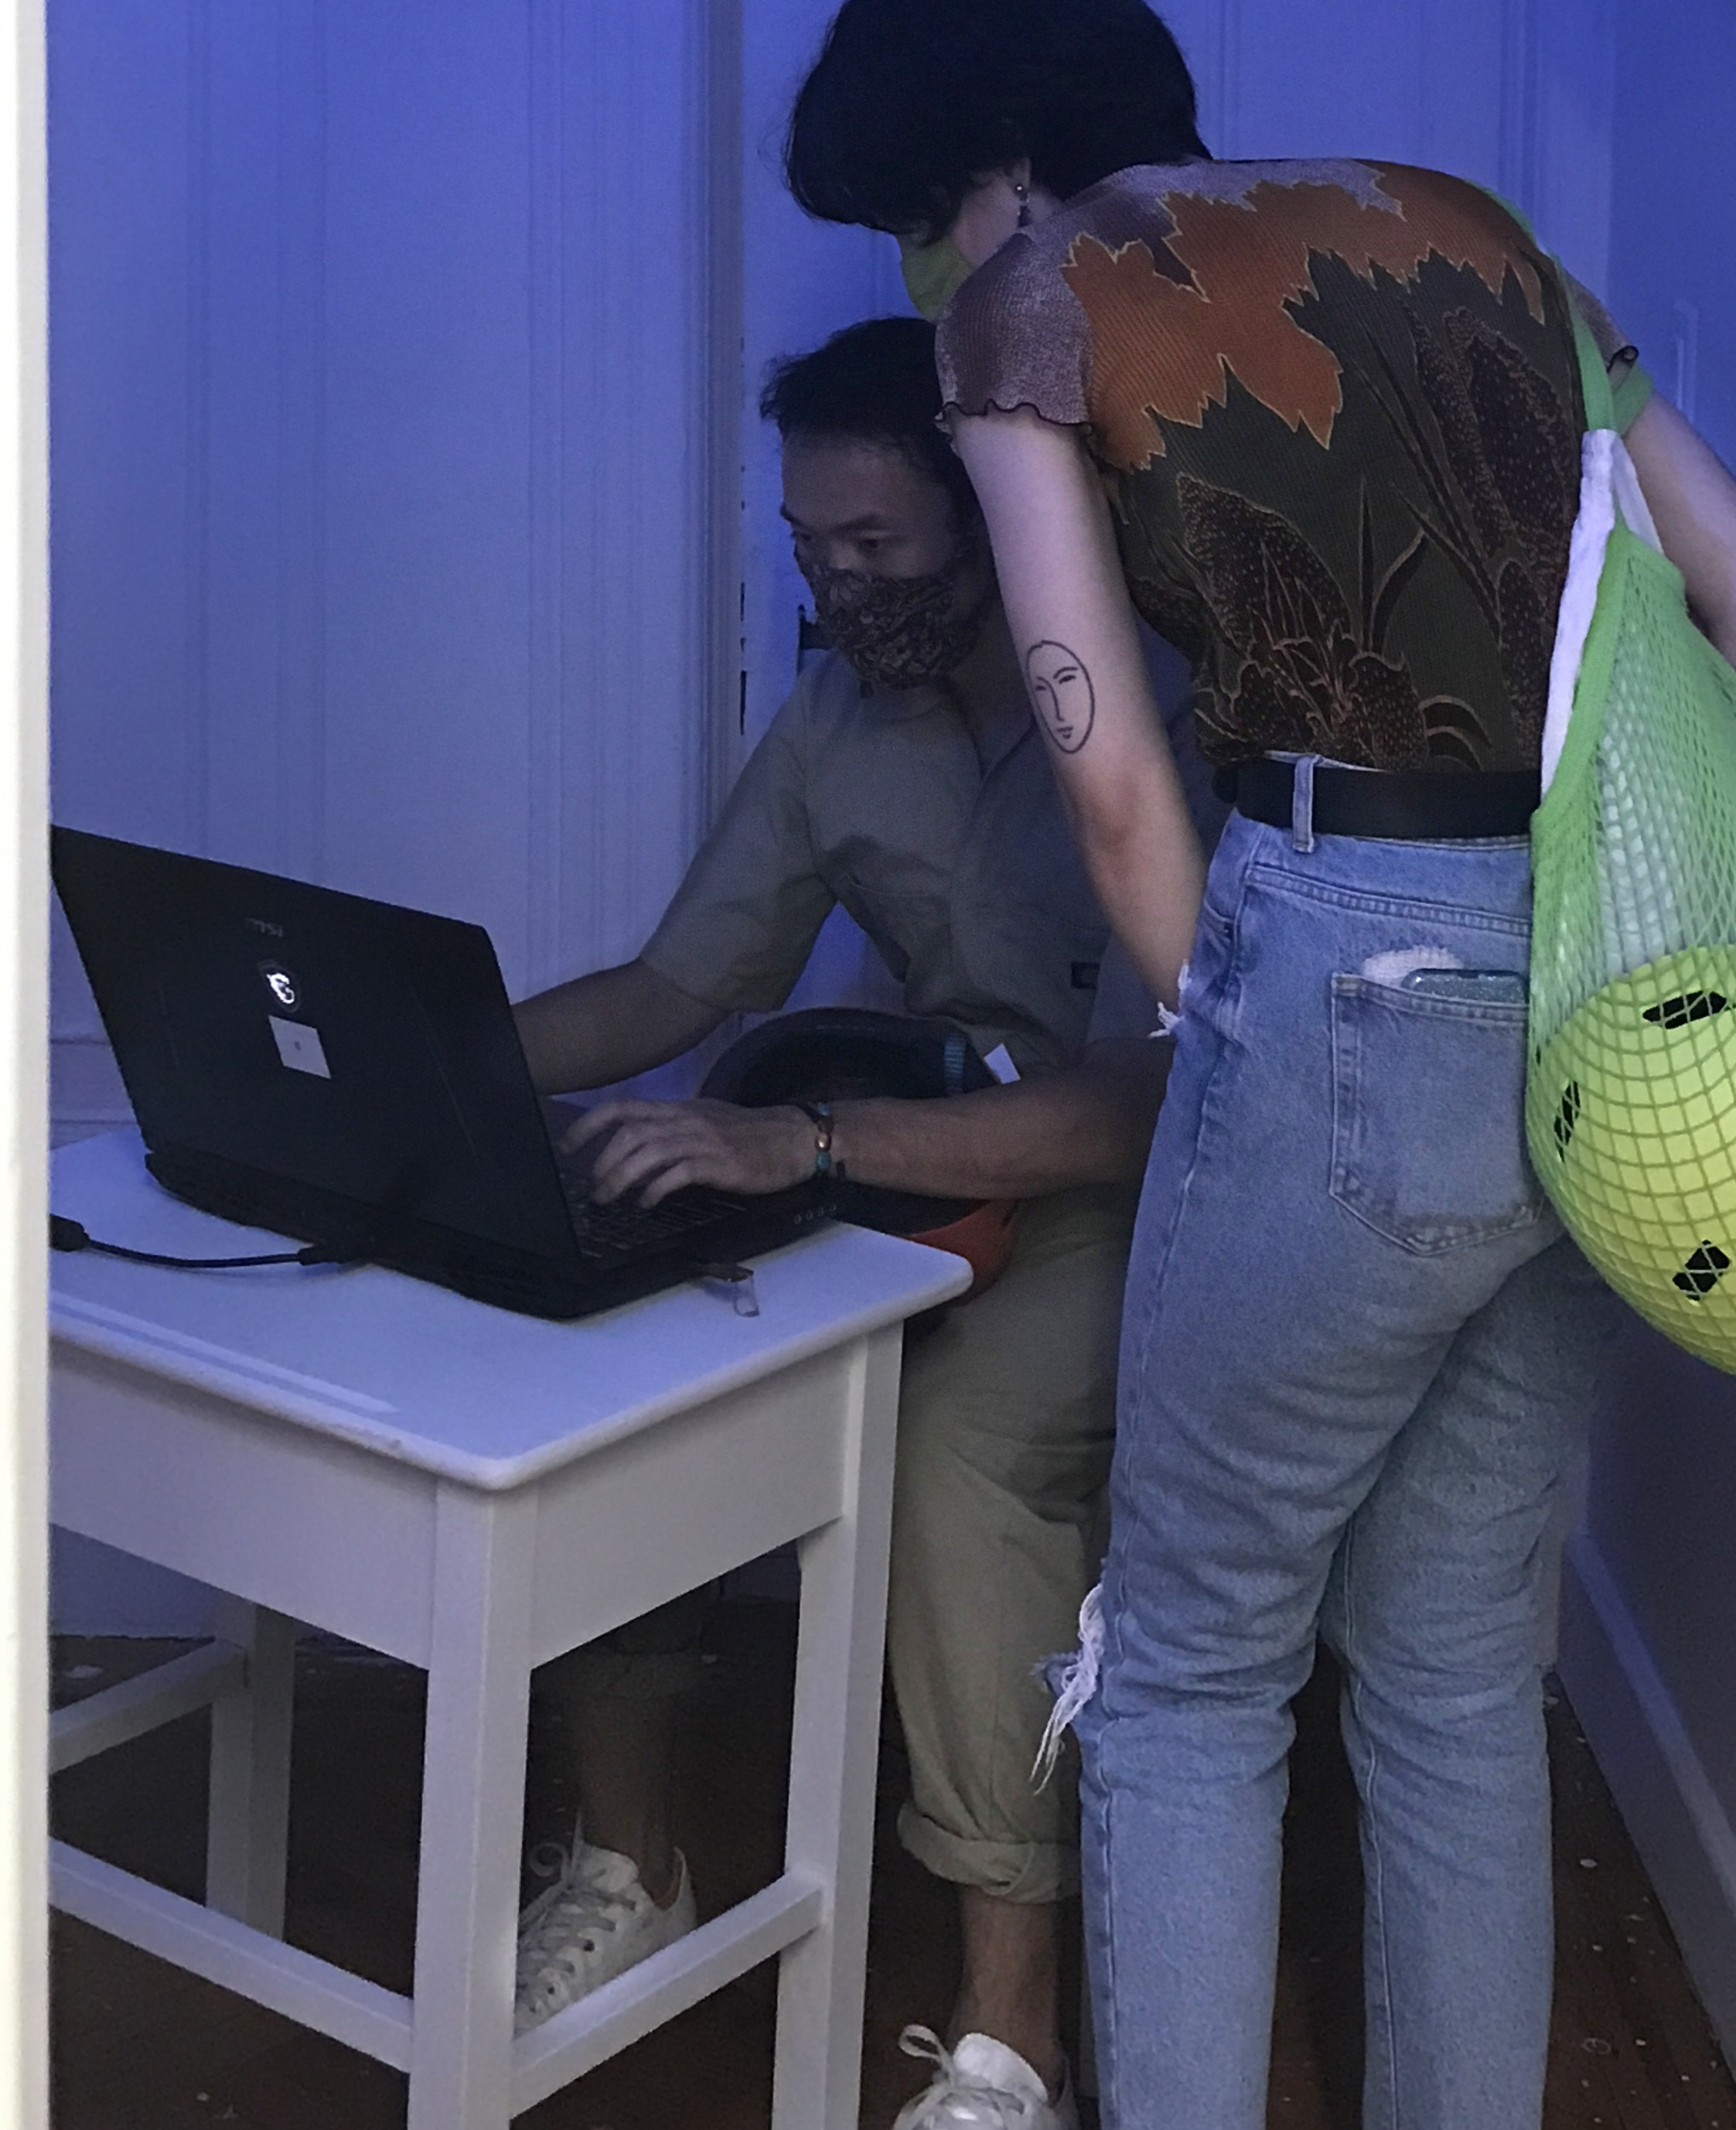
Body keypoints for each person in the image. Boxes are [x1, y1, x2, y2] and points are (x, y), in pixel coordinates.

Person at [784, 0, 1736, 2130]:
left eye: (906, 207)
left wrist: (1232, 1023)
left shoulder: (1032, 300)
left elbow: (1109, 778)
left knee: (1187, 1672)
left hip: (1344, 954)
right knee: (1453, 1671)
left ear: (993, 154)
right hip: (1616, 980)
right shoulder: (1474, 231)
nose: (917, 260)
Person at [510, 312, 1213, 2130]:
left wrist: (803, 1145)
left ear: (995, 513)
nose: (837, 583)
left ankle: (1010, 2042)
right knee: (624, 1357)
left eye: (877, 542)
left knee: (961, 1441)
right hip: (898, 1163)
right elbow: (678, 986)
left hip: (1124, 1192)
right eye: (810, 545)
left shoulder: (1168, 701)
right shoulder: (837, 720)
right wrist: (447, 1063)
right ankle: (634, 1862)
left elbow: (1147, 1096)